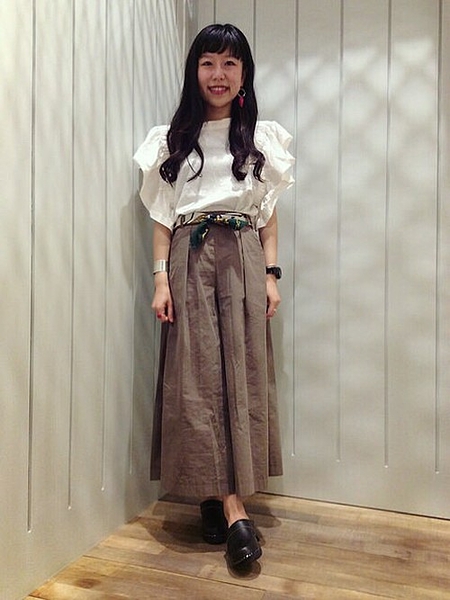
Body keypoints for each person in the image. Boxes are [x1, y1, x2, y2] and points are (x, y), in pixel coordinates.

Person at [134, 23, 294, 569]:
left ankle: (221, 502)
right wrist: (161, 278)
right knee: (196, 375)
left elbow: (268, 217)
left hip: (244, 253)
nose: (218, 74)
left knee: (241, 372)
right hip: (190, 254)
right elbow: (162, 218)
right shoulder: (172, 140)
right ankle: (228, 508)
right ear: (194, 71)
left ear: (244, 73)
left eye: (229, 63)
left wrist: (271, 274)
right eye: (208, 63)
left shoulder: (260, 139)